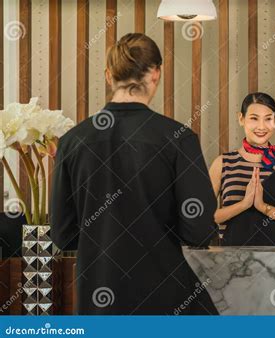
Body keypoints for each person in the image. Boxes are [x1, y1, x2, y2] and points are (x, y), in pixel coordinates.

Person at [51, 33, 218, 315]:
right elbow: (199, 230)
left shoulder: (71, 142)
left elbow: (63, 235)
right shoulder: (178, 138)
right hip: (165, 297)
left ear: (108, 76)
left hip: (98, 302)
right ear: (155, 73)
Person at [209, 92, 275, 246]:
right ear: (241, 119)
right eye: (254, 118)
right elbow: (205, 218)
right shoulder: (223, 163)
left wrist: (263, 207)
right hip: (231, 261)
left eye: (268, 119)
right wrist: (244, 204)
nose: (261, 127)